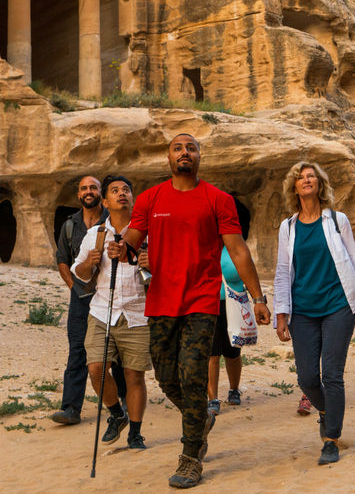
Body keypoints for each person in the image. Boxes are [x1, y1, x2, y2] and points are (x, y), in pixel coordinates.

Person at [108, 133, 271, 489]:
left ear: (199, 157)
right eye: (177, 148)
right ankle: (199, 419)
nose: (185, 152)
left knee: (193, 376)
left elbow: (238, 251)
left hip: (201, 302)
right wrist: (119, 249)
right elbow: (133, 241)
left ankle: (190, 457)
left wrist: (258, 297)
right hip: (161, 302)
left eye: (191, 148)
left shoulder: (218, 199)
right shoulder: (151, 198)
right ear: (168, 157)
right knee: (167, 378)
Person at [273, 161, 355, 466]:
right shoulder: (288, 227)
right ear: (295, 187)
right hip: (302, 310)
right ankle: (325, 410)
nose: (307, 180)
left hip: (338, 306)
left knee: (332, 375)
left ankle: (330, 438)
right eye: (301, 178)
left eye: (311, 177)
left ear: (319, 185)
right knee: (306, 378)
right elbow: (282, 271)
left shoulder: (336, 220)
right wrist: (281, 314)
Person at [71, 175, 150, 450]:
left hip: (138, 313)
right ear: (105, 201)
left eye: (126, 190)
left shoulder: (147, 233)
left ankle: (136, 433)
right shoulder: (95, 235)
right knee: (96, 368)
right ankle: (117, 414)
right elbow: (79, 273)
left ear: (132, 197)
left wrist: (150, 262)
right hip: (103, 310)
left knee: (134, 375)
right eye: (115, 191)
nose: (122, 194)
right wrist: (89, 263)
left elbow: (159, 274)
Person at [51, 175, 112, 425]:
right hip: (81, 298)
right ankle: (71, 408)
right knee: (77, 349)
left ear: (101, 193)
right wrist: (73, 286)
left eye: (93, 188)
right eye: (84, 188)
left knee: (113, 351)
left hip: (111, 297)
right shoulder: (70, 225)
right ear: (78, 195)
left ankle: (122, 404)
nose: (89, 192)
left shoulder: (114, 221)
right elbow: (62, 259)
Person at [207, 198, 252, 415]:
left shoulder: (237, 244)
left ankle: (234, 389)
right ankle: (212, 398)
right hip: (209, 303)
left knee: (232, 352)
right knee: (211, 354)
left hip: (233, 303)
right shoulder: (206, 243)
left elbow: (243, 272)